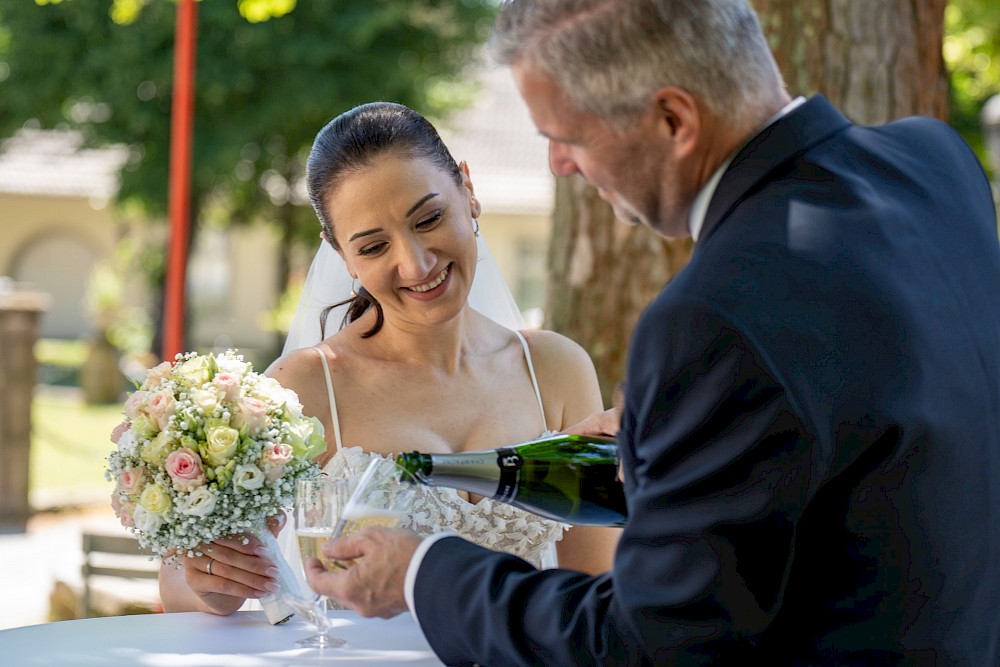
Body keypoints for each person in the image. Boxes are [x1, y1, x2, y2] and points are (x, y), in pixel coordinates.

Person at [303, 0, 1000, 664]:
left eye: (566, 136)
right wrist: (676, 442)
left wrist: (423, 572)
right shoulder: (933, 162)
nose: (559, 165)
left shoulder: (711, 318)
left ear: (673, 118)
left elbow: (647, 643)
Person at [158, 101, 620, 616]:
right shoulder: (304, 387)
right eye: (374, 247)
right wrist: (212, 584)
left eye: (429, 218)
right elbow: (184, 584)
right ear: (339, 254)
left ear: (468, 191)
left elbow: (596, 591)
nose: (416, 263)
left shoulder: (556, 370)